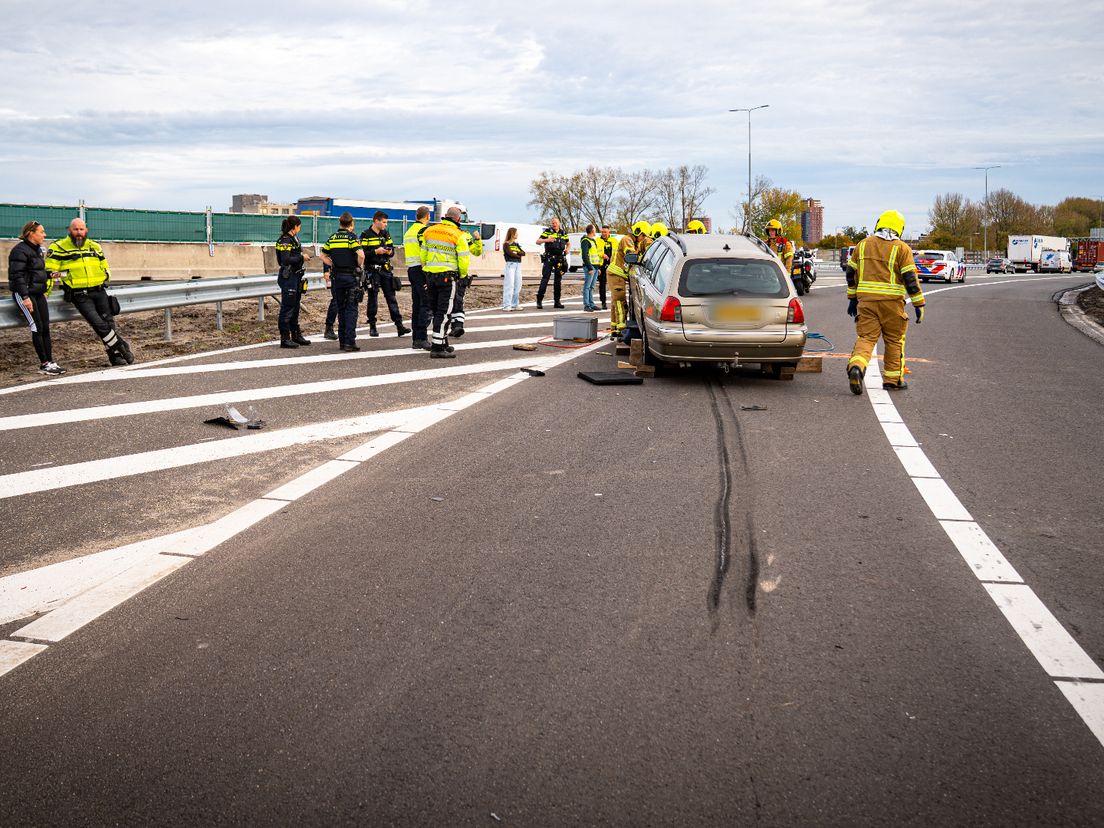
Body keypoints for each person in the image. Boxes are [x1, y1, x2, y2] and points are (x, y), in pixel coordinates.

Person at [844, 210, 926, 395]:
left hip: (866, 303)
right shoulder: (902, 248)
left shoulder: (862, 245)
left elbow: (850, 274)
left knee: (866, 338)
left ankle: (856, 366)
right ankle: (892, 380)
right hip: (892, 304)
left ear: (878, 224)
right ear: (900, 228)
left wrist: (852, 299)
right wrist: (918, 304)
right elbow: (910, 279)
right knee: (894, 341)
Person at [45, 218, 134, 366]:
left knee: (109, 324)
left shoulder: (94, 246)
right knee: (99, 325)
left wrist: (105, 275)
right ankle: (122, 347)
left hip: (99, 291)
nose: (79, 233)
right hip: (79, 295)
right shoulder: (58, 247)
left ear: (86, 230)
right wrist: (47, 290)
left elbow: (104, 265)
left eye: (81, 229)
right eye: (75, 229)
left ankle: (115, 357)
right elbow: (50, 272)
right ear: (69, 230)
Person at [9, 221, 64, 375]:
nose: (44, 235)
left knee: (45, 327)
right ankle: (44, 364)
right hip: (25, 295)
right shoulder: (19, 251)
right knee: (37, 327)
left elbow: (37, 273)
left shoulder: (38, 250)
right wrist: (25, 297)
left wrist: (51, 275)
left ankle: (51, 362)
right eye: (41, 232)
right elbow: (17, 276)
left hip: (38, 294)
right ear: (31, 233)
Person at [420, 206, 470, 358]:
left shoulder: (430, 230)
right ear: (458, 219)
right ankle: (437, 348)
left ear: (445, 216)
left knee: (436, 311)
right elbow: (463, 260)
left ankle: (442, 343)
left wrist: (427, 271)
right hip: (448, 278)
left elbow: (423, 255)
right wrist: (463, 276)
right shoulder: (459, 235)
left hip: (431, 275)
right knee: (445, 312)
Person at [320, 212, 365, 352]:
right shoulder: (352, 238)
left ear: (340, 223)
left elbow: (322, 255)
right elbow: (361, 255)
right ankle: (349, 342)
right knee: (351, 309)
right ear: (351, 224)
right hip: (350, 277)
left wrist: (332, 264)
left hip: (337, 277)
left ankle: (342, 342)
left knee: (341, 308)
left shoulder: (332, 238)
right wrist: (358, 265)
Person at [361, 210, 409, 338]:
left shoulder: (385, 234)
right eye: (384, 222)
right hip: (372, 271)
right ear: (376, 221)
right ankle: (372, 326)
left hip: (386, 270)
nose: (385, 225)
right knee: (373, 299)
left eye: (386, 222)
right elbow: (362, 253)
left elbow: (391, 248)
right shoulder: (365, 234)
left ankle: (399, 326)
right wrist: (376, 252)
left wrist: (389, 252)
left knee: (391, 298)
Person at [274, 216, 313, 349]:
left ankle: (296, 335)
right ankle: (285, 338)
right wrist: (301, 257)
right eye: (299, 226)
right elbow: (285, 259)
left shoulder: (294, 239)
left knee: (295, 306)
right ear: (295, 226)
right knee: (288, 307)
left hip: (296, 276)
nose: (300, 229)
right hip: (288, 277)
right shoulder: (285, 240)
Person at [403, 205, 432, 349]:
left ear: (416, 216)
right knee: (425, 304)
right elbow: (426, 251)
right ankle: (421, 337)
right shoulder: (423, 231)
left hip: (411, 270)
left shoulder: (409, 231)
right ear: (428, 216)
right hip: (422, 270)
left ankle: (416, 339)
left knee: (417, 304)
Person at [449, 228, 481, 338]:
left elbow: (476, 251)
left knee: (452, 300)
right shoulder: (465, 235)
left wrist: (477, 239)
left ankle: (455, 326)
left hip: (449, 273)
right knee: (457, 300)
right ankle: (456, 326)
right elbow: (476, 251)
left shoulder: (460, 235)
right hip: (458, 274)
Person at [606, 228, 637, 340]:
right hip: (616, 275)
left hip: (616, 275)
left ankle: (614, 329)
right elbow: (630, 254)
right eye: (643, 236)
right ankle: (621, 330)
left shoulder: (631, 240)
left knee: (615, 302)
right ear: (638, 233)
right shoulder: (627, 240)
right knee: (620, 302)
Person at [534, 217, 569, 309]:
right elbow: (538, 241)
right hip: (549, 258)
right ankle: (539, 301)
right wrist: (547, 240)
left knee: (558, 281)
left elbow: (568, 243)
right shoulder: (547, 231)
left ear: (559, 223)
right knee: (545, 279)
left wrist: (567, 249)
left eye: (556, 223)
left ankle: (557, 302)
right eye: (553, 223)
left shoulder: (563, 233)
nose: (554, 224)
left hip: (559, 259)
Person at [580, 224, 602, 312]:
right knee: (587, 286)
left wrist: (598, 268)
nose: (595, 231)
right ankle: (586, 305)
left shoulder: (592, 240)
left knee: (591, 287)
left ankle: (591, 304)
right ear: (592, 231)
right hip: (590, 267)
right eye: (595, 230)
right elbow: (584, 256)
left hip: (595, 267)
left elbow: (595, 255)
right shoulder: (585, 241)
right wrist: (590, 268)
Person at [502, 227, 525, 311]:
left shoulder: (516, 244)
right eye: (516, 233)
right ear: (512, 234)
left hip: (518, 265)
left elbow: (523, 253)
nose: (517, 234)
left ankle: (515, 304)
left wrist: (517, 253)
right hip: (510, 265)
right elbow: (510, 254)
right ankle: (507, 305)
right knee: (510, 285)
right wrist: (518, 254)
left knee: (518, 285)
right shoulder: (506, 244)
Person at [595, 225, 614, 310]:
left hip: (612, 266)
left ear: (609, 232)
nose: (603, 233)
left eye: (605, 232)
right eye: (602, 232)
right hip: (601, 266)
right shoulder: (597, 241)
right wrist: (601, 255)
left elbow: (618, 252)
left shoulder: (614, 241)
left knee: (613, 285)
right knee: (602, 285)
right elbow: (594, 252)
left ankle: (614, 303)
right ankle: (603, 303)